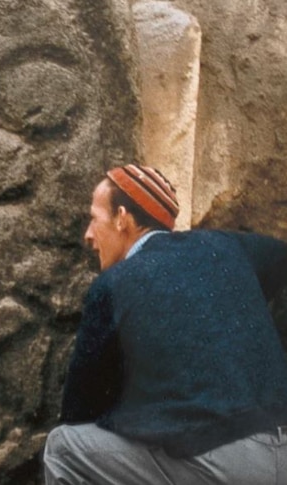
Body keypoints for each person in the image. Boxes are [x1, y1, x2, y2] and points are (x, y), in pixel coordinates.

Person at [43, 164, 287, 484]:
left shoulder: (114, 284)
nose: (88, 236)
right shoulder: (228, 247)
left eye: (93, 218)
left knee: (63, 448)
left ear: (121, 218)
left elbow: (79, 410)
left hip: (226, 468)